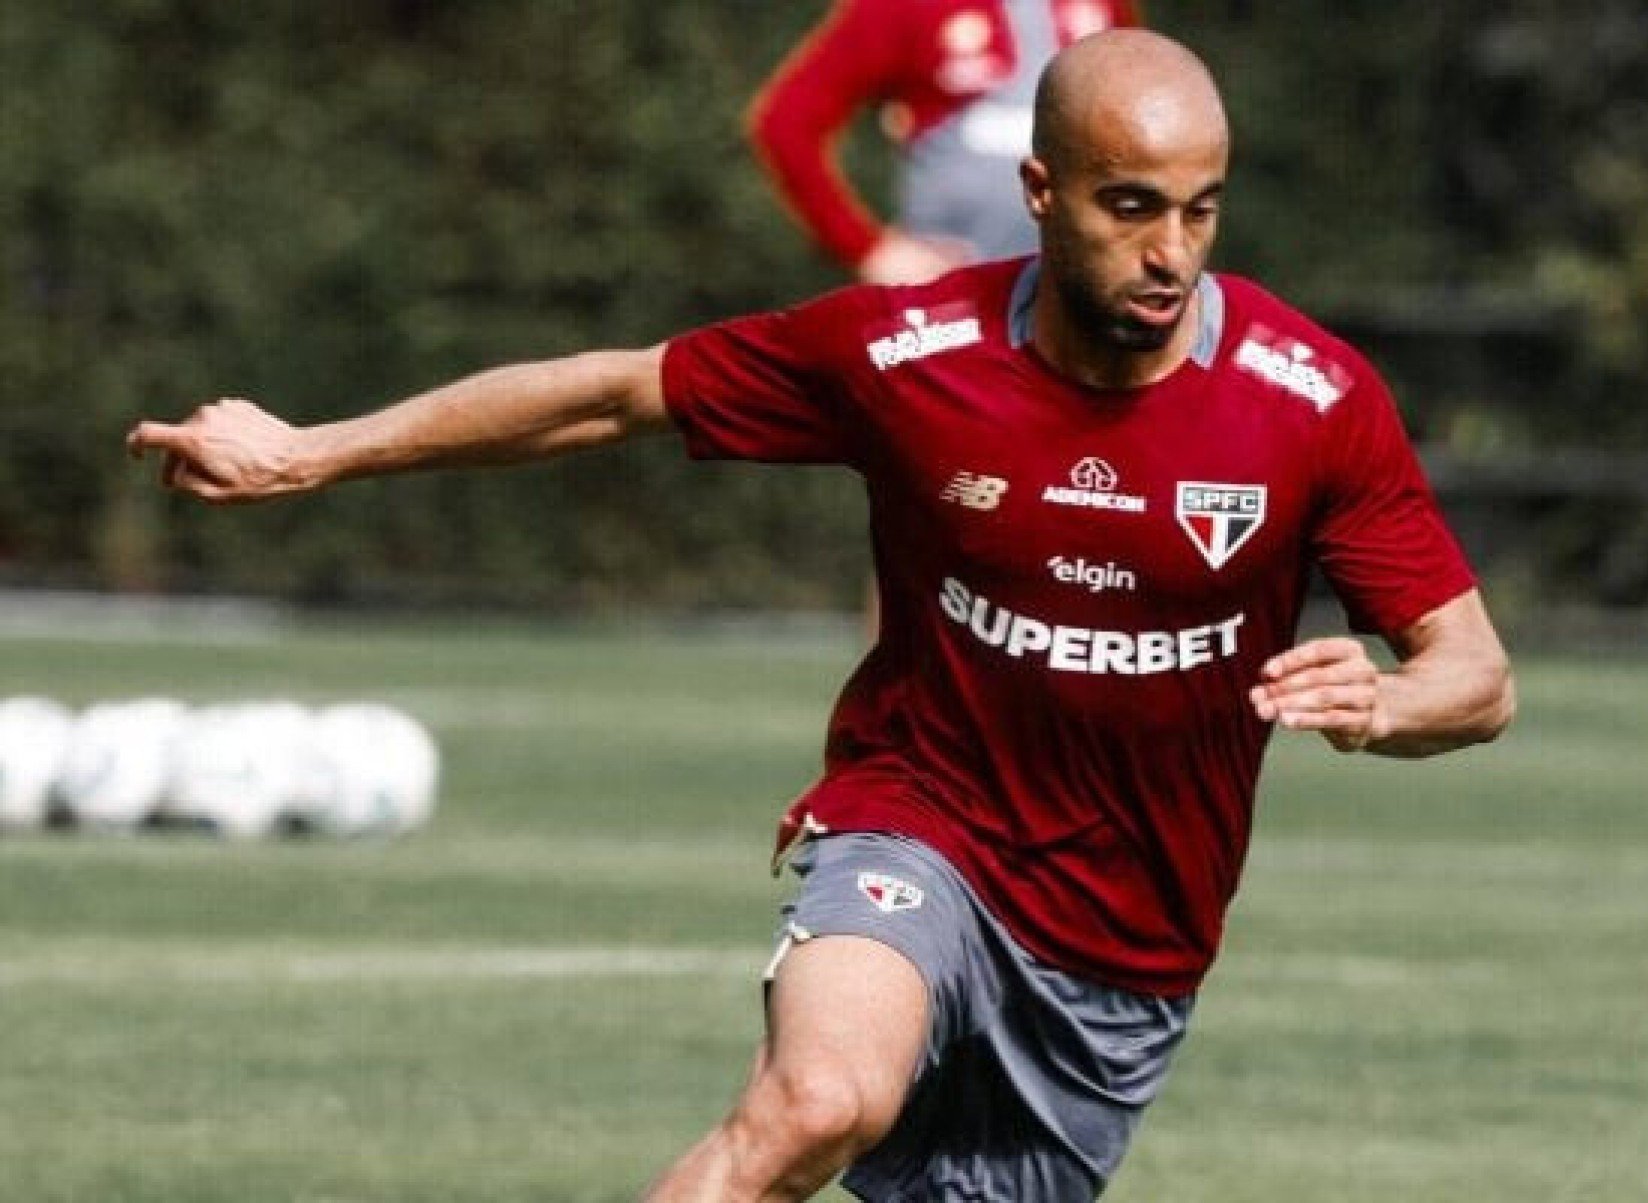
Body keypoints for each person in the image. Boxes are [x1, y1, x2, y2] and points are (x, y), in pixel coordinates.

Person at [129, 30, 1515, 1202]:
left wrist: (1388, 703)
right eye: (1131, 206)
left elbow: (1476, 675)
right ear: (1040, 191)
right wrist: (313, 452)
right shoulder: (910, 352)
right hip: (923, 825)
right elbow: (612, 394)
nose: (1171, 253)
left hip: (1123, 951)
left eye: (1200, 212)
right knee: (814, 1100)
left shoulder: (1310, 402)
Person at [751, 0, 1141, 285]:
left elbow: (1143, 116)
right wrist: (869, 250)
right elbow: (785, 124)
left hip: (1084, 295)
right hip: (958, 304)